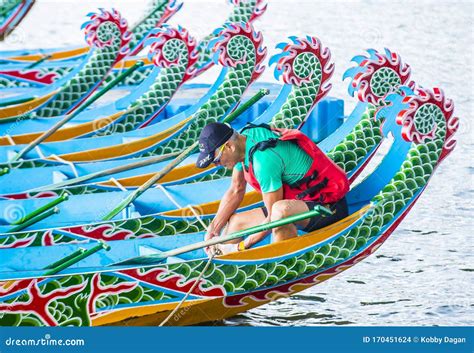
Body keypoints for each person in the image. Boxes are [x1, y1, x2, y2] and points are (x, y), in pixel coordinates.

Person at [196, 122, 349, 255]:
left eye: (216, 160)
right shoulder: (242, 140)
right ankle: (225, 267)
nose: (217, 165)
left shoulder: (263, 161)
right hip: (301, 202)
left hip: (328, 208)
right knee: (236, 222)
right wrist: (214, 228)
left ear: (229, 146)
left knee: (279, 211)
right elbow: (236, 189)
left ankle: (283, 264)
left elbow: (272, 220)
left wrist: (240, 247)